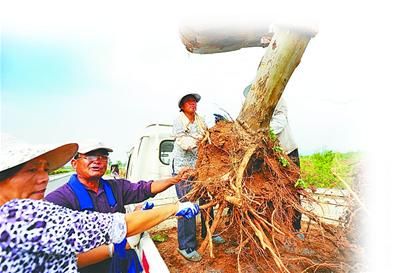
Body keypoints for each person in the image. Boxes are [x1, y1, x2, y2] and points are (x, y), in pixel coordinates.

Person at [0, 139, 199, 273]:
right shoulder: (49, 204)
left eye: (103, 157)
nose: (43, 178)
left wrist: (174, 180)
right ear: (75, 162)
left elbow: (145, 189)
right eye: (91, 157)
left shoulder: (115, 186)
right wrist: (174, 208)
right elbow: (114, 226)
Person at [170, 92, 225, 262]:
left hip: (200, 169)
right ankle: (186, 246)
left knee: (206, 202)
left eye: (194, 102)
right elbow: (185, 144)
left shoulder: (200, 120)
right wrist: (203, 140)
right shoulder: (179, 121)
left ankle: (209, 231)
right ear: (182, 106)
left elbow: (208, 134)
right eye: (189, 102)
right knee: (188, 206)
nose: (193, 104)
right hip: (184, 170)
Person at [243, 84, 302, 232]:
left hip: (287, 151)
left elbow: (279, 122)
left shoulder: (278, 100)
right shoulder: (254, 110)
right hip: (270, 157)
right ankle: (276, 226)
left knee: (292, 190)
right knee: (272, 189)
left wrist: (260, 135)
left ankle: (295, 228)